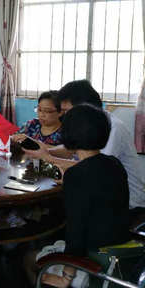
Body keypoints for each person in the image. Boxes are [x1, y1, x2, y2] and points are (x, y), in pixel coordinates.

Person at [24, 104, 130, 288]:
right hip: (121, 259)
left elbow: (76, 232)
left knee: (28, 259)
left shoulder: (77, 176)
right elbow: (91, 180)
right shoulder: (114, 165)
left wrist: (66, 276)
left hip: (95, 267)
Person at [24, 80, 145, 219]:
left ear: (84, 107)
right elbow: (72, 149)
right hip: (100, 193)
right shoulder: (92, 122)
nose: (64, 116)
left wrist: (48, 158)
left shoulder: (113, 127)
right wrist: (45, 152)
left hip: (127, 205)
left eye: (67, 111)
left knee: (55, 208)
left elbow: (92, 167)